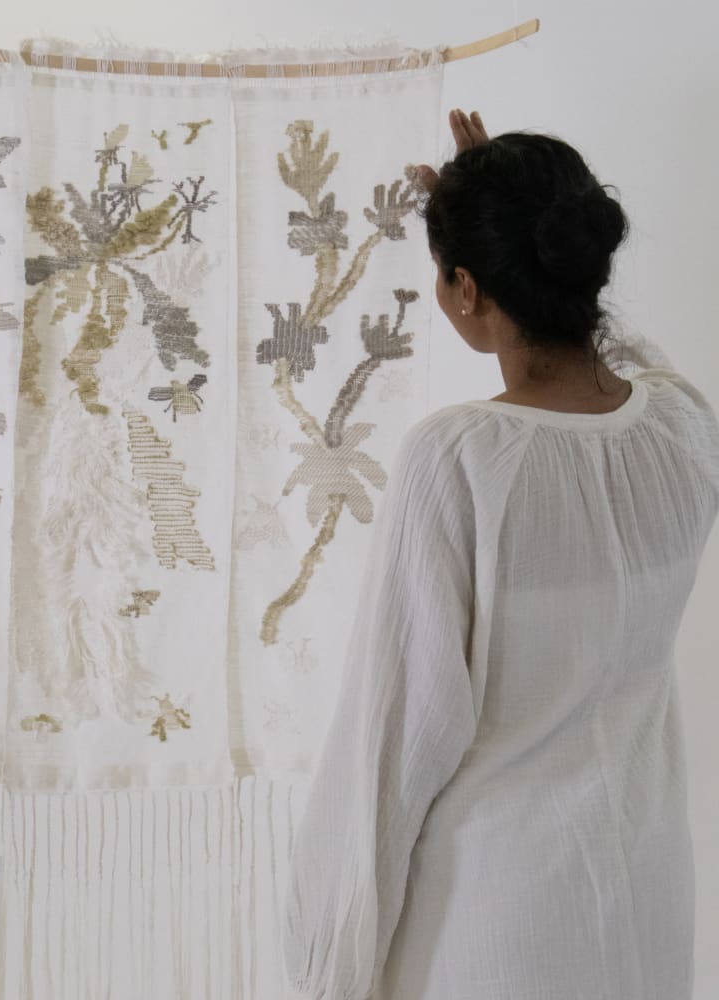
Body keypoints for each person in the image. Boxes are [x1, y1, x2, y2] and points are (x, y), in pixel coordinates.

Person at [280, 109, 719, 1000]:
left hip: (493, 929)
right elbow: (627, 356)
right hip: (645, 904)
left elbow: (392, 744)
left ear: (468, 290)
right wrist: (505, 217)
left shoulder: (460, 457)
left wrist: (327, 971)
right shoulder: (681, 428)